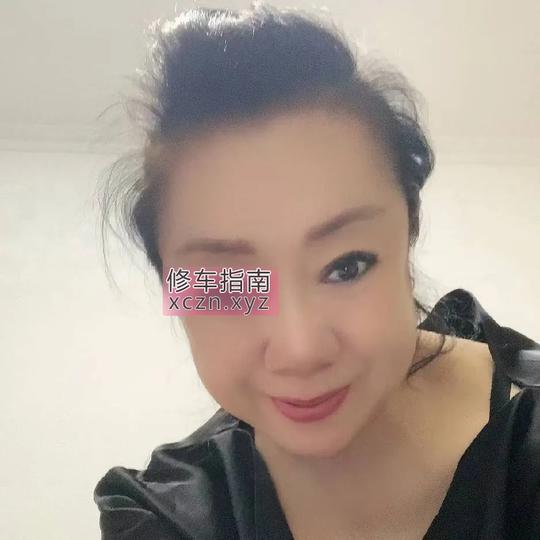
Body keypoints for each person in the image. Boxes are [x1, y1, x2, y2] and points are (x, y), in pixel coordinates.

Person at [93, 3, 540, 539]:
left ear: (409, 232)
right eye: (230, 287)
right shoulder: (167, 513)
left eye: (347, 267)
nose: (300, 350)